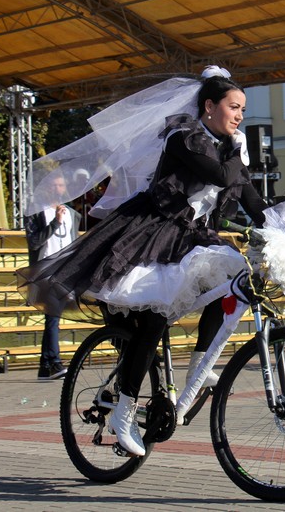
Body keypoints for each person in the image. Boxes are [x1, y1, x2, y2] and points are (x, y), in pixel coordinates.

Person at [17, 67, 268, 457]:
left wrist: (276, 225)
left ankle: (198, 368)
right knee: (151, 323)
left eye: (242, 110)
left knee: (232, 277)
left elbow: (247, 190)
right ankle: (123, 411)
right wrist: (237, 148)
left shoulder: (222, 146)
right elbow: (220, 176)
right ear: (208, 106)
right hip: (153, 232)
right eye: (234, 107)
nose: (240, 116)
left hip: (191, 236)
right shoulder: (184, 137)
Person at [24, 173, 81, 380]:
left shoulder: (72, 214)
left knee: (53, 317)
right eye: (54, 185)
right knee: (52, 317)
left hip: (63, 270)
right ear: (46, 187)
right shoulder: (36, 212)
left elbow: (73, 243)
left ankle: (45, 367)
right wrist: (55, 223)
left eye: (61, 185)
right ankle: (54, 362)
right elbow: (34, 242)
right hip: (44, 270)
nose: (58, 188)